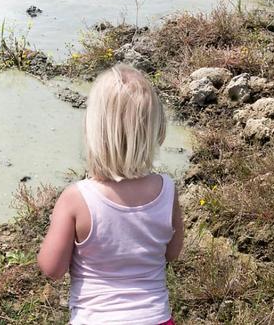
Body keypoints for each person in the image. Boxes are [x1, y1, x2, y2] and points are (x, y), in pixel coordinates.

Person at [38, 64, 184, 324]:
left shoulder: (76, 198)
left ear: (93, 131)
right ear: (155, 131)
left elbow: (52, 269)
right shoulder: (167, 190)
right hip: (156, 318)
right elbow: (171, 253)